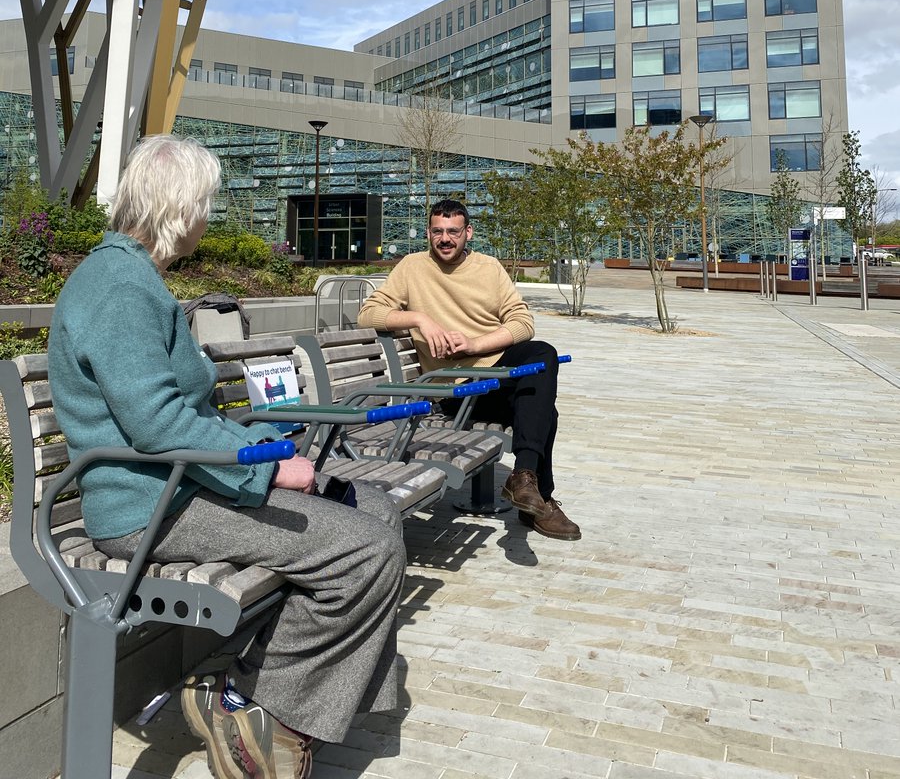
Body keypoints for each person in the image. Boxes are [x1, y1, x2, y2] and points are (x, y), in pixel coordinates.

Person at [49, 136, 406, 779]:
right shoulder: (119, 288)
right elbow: (156, 423)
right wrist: (266, 468)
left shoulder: (132, 278)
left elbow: (173, 417)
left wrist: (264, 456)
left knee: (373, 508)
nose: (210, 217)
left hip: (180, 487)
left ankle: (256, 693)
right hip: (146, 506)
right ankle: (258, 713)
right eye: (207, 204)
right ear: (181, 209)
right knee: (367, 550)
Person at [358, 198, 580, 542]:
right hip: (455, 395)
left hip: (495, 379)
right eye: (437, 231)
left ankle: (523, 480)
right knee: (543, 411)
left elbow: (523, 323)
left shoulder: (488, 268)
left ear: (468, 233)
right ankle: (538, 498)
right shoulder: (412, 267)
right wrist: (420, 319)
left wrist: (474, 345)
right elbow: (367, 314)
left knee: (542, 354)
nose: (445, 238)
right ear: (429, 233)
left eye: (453, 231)